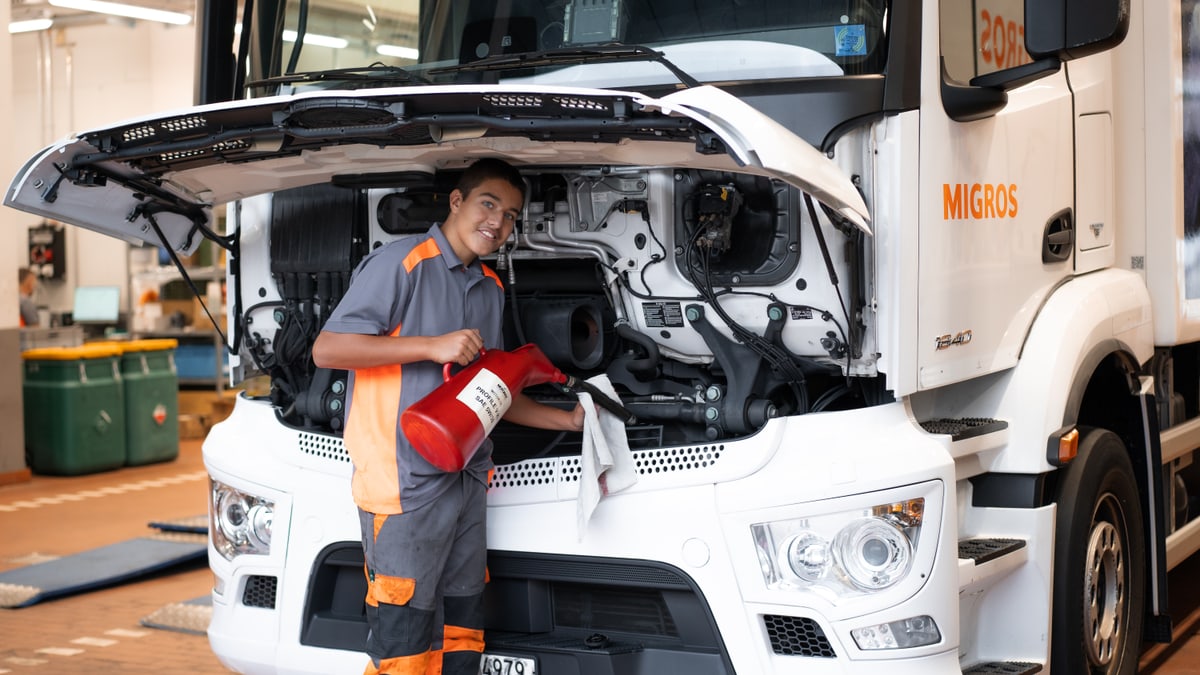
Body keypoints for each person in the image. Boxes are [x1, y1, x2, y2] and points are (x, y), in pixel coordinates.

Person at [311, 157, 584, 675]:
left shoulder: (489, 287)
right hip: (404, 482)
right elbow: (328, 349)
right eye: (488, 204)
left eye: (510, 215)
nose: (498, 223)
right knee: (404, 630)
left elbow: (491, 395)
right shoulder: (402, 264)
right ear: (456, 202)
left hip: (464, 480)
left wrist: (567, 422)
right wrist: (431, 345)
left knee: (462, 624)